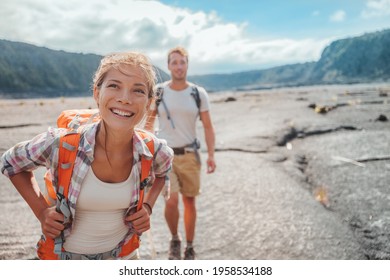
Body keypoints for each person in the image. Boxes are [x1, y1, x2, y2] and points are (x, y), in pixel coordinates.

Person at [1, 51, 173, 260]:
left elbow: (164, 171)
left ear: (148, 102)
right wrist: (41, 212)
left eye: (138, 90)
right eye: (114, 86)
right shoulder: (61, 143)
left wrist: (148, 206)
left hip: (126, 257)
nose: (124, 99)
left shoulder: (153, 149)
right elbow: (11, 162)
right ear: (96, 93)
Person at [145, 46, 216, 260]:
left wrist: (211, 155)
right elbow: (148, 123)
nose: (178, 66)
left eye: (182, 62)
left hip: (190, 155)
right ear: (168, 66)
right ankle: (175, 238)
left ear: (187, 65)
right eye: (174, 62)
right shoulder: (159, 91)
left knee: (190, 202)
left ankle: (190, 245)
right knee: (172, 201)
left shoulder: (197, 93)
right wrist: (144, 153)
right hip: (165, 157)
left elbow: (208, 126)